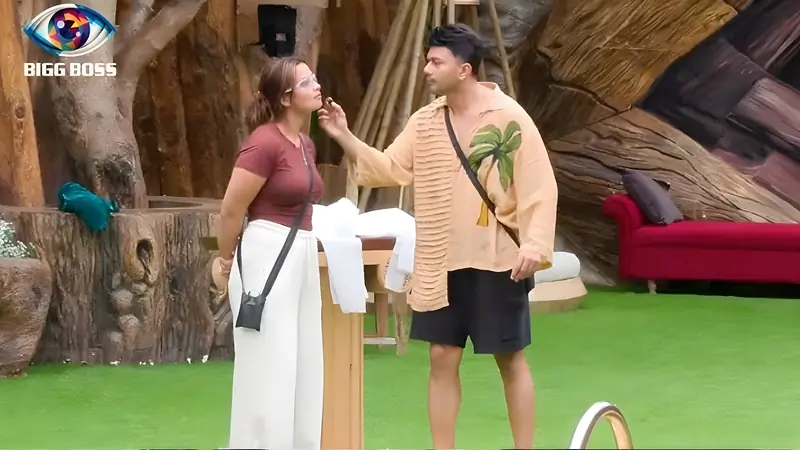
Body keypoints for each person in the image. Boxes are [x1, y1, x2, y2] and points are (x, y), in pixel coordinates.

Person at [318, 23, 558, 449]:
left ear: (464, 69)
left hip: (497, 258)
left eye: (435, 62)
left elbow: (540, 185)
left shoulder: (509, 117)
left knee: (510, 359)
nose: (427, 69)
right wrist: (344, 135)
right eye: (426, 60)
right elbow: (390, 167)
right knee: (441, 357)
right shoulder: (425, 121)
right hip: (439, 262)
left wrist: (535, 245)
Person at [214, 57, 325, 450]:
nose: (317, 85)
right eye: (306, 82)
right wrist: (225, 258)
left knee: (305, 363)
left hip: (301, 252)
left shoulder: (306, 144)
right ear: (285, 98)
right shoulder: (263, 143)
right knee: (270, 365)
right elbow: (231, 210)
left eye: (314, 78)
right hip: (267, 253)